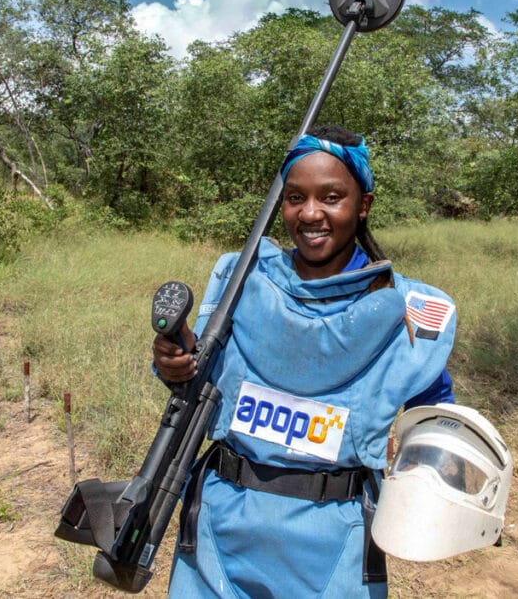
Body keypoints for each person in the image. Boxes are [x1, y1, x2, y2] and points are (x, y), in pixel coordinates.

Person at [152, 124, 456, 597]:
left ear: (363, 205)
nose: (310, 213)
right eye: (295, 197)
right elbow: (205, 377)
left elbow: (438, 419)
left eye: (331, 197)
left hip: (333, 539)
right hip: (220, 522)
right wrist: (175, 361)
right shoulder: (243, 281)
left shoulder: (410, 311)